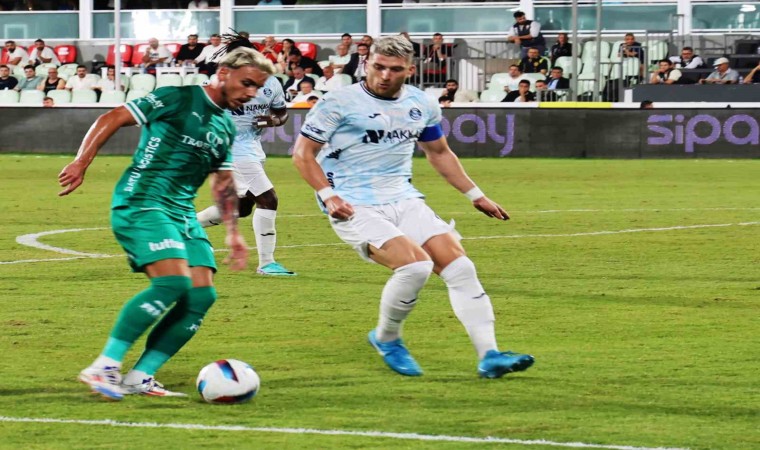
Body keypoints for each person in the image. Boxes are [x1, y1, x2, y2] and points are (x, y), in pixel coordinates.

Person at [292, 35, 534, 379]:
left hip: (404, 198)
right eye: (378, 66)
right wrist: (328, 195)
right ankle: (387, 338)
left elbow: (439, 152)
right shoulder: (338, 103)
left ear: (409, 69)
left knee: (461, 268)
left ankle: (489, 356)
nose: (384, 75)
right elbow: (303, 154)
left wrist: (476, 195)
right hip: (352, 203)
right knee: (415, 267)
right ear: (366, 64)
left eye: (394, 69)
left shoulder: (421, 103)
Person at [58, 47, 274, 401]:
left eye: (258, 88)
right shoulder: (178, 97)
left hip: (182, 213)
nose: (252, 93)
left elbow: (222, 182)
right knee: (172, 283)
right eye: (247, 83)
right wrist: (82, 162)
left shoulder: (224, 126)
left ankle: (140, 376)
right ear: (223, 73)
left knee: (201, 295)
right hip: (143, 202)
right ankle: (104, 366)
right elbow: (113, 116)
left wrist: (233, 233)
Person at [197, 37, 296, 277]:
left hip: (252, 147)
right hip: (230, 149)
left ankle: (185, 226)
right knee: (268, 199)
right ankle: (267, 263)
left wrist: (273, 120)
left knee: (240, 207)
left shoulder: (271, 82)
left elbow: (282, 113)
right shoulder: (219, 83)